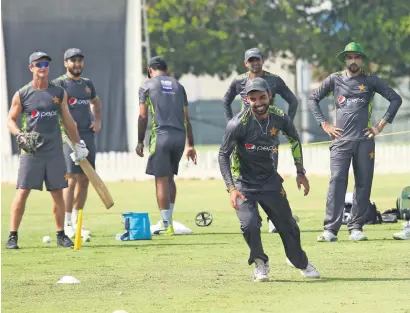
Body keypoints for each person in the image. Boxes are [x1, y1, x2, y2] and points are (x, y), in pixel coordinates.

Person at [218, 77, 320, 282]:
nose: (259, 102)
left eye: (262, 97)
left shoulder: (280, 117)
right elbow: (223, 155)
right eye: (253, 98)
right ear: (247, 100)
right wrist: (231, 188)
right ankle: (260, 263)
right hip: (243, 183)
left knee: (288, 225)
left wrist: (300, 171)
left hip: (270, 181)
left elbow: (294, 139)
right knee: (249, 225)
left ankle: (299, 261)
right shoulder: (237, 124)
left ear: (270, 96)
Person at [308, 42, 402, 242]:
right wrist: (324, 124)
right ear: (345, 59)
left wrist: (380, 126)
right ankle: (330, 229)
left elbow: (395, 99)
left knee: (363, 184)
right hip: (341, 141)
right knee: (336, 183)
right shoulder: (334, 79)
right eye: (349, 57)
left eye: (357, 57)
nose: (353, 60)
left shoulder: (370, 81)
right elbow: (313, 99)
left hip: (364, 141)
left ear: (361, 60)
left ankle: (356, 227)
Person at [6, 51, 89, 249]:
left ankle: (61, 235)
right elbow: (10, 120)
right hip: (31, 151)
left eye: (46, 64)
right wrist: (19, 135)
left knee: (57, 192)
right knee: (23, 191)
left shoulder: (58, 92)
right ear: (31, 68)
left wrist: (78, 144)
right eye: (39, 64)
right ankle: (12, 236)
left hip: (53, 151)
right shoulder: (23, 93)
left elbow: (68, 121)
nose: (43, 67)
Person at [136, 56, 197, 235]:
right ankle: (169, 220)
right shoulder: (179, 86)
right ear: (166, 70)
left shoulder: (146, 85)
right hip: (179, 137)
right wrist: (190, 145)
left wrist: (140, 141)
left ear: (150, 70)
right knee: (170, 177)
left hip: (161, 137)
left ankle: (165, 224)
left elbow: (143, 116)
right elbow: (187, 118)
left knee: (161, 179)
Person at [52, 48, 102, 238]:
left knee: (85, 179)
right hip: (68, 138)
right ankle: (66, 224)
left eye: (80, 60)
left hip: (87, 136)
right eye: (73, 61)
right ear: (65, 63)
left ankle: (77, 221)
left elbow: (96, 102)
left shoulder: (87, 84)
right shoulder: (59, 84)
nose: (77, 64)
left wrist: (97, 121)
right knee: (71, 179)